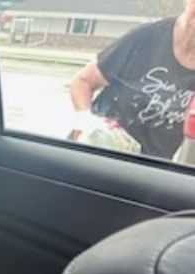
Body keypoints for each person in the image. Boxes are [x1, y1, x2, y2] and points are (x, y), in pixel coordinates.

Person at [69, 0, 195, 159]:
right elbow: (83, 81)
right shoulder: (147, 37)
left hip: (148, 171)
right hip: (96, 154)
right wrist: (86, 124)